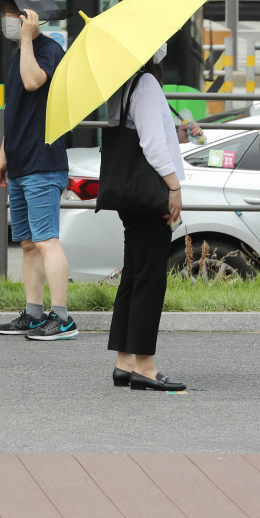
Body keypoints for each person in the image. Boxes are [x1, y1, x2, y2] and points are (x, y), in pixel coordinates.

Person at [106, 46, 196, 391]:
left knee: (135, 273)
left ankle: (125, 361)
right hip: (149, 192)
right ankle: (145, 365)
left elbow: (144, 133)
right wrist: (173, 187)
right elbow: (152, 143)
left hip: (129, 190)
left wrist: (180, 133)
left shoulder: (124, 84)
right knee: (150, 278)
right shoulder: (145, 84)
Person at [0, 5, 77, 341]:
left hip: (43, 163)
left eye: (13, 12)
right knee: (28, 244)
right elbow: (15, 110)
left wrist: (28, 39)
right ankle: (33, 313)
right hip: (21, 163)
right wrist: (3, 156)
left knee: (46, 241)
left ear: (32, 16)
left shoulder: (49, 49)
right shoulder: (20, 54)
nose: (7, 19)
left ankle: (63, 318)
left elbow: (32, 82)